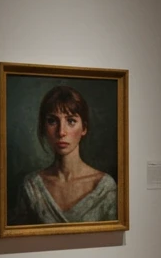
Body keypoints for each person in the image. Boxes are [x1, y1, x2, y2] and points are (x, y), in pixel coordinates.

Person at [14, 85, 118, 225]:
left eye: (71, 121)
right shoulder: (31, 187)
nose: (61, 132)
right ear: (43, 128)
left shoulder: (104, 188)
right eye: (52, 121)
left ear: (84, 128)